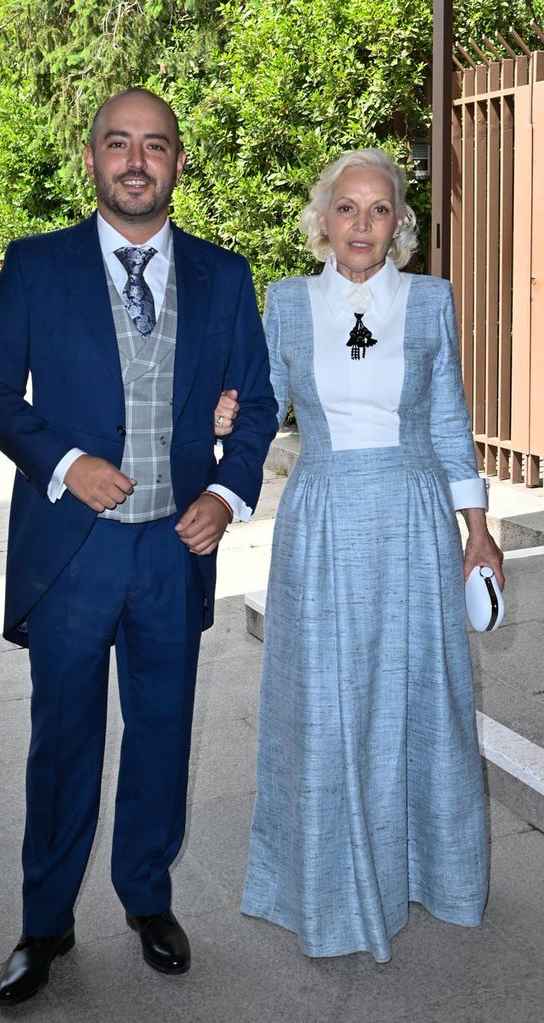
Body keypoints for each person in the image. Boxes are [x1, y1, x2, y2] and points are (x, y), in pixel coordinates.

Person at [0, 87, 277, 1005]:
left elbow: (253, 404)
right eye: (119, 144)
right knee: (61, 740)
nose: (136, 160)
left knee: (162, 735)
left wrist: (224, 493)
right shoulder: (36, 265)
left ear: (179, 161)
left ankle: (147, 897)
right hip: (73, 552)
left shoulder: (225, 275)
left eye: (156, 145)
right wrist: (63, 459)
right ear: (92, 157)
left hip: (172, 552)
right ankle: (44, 922)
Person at [240, 147, 504, 963]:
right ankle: (327, 884)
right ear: (323, 221)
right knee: (324, 700)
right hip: (320, 520)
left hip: (414, 515)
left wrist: (479, 528)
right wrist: (221, 420)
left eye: (378, 208)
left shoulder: (430, 302)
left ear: (399, 224)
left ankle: (432, 869)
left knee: (423, 694)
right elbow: (257, 406)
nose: (361, 224)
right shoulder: (284, 303)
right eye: (346, 208)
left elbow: (449, 418)